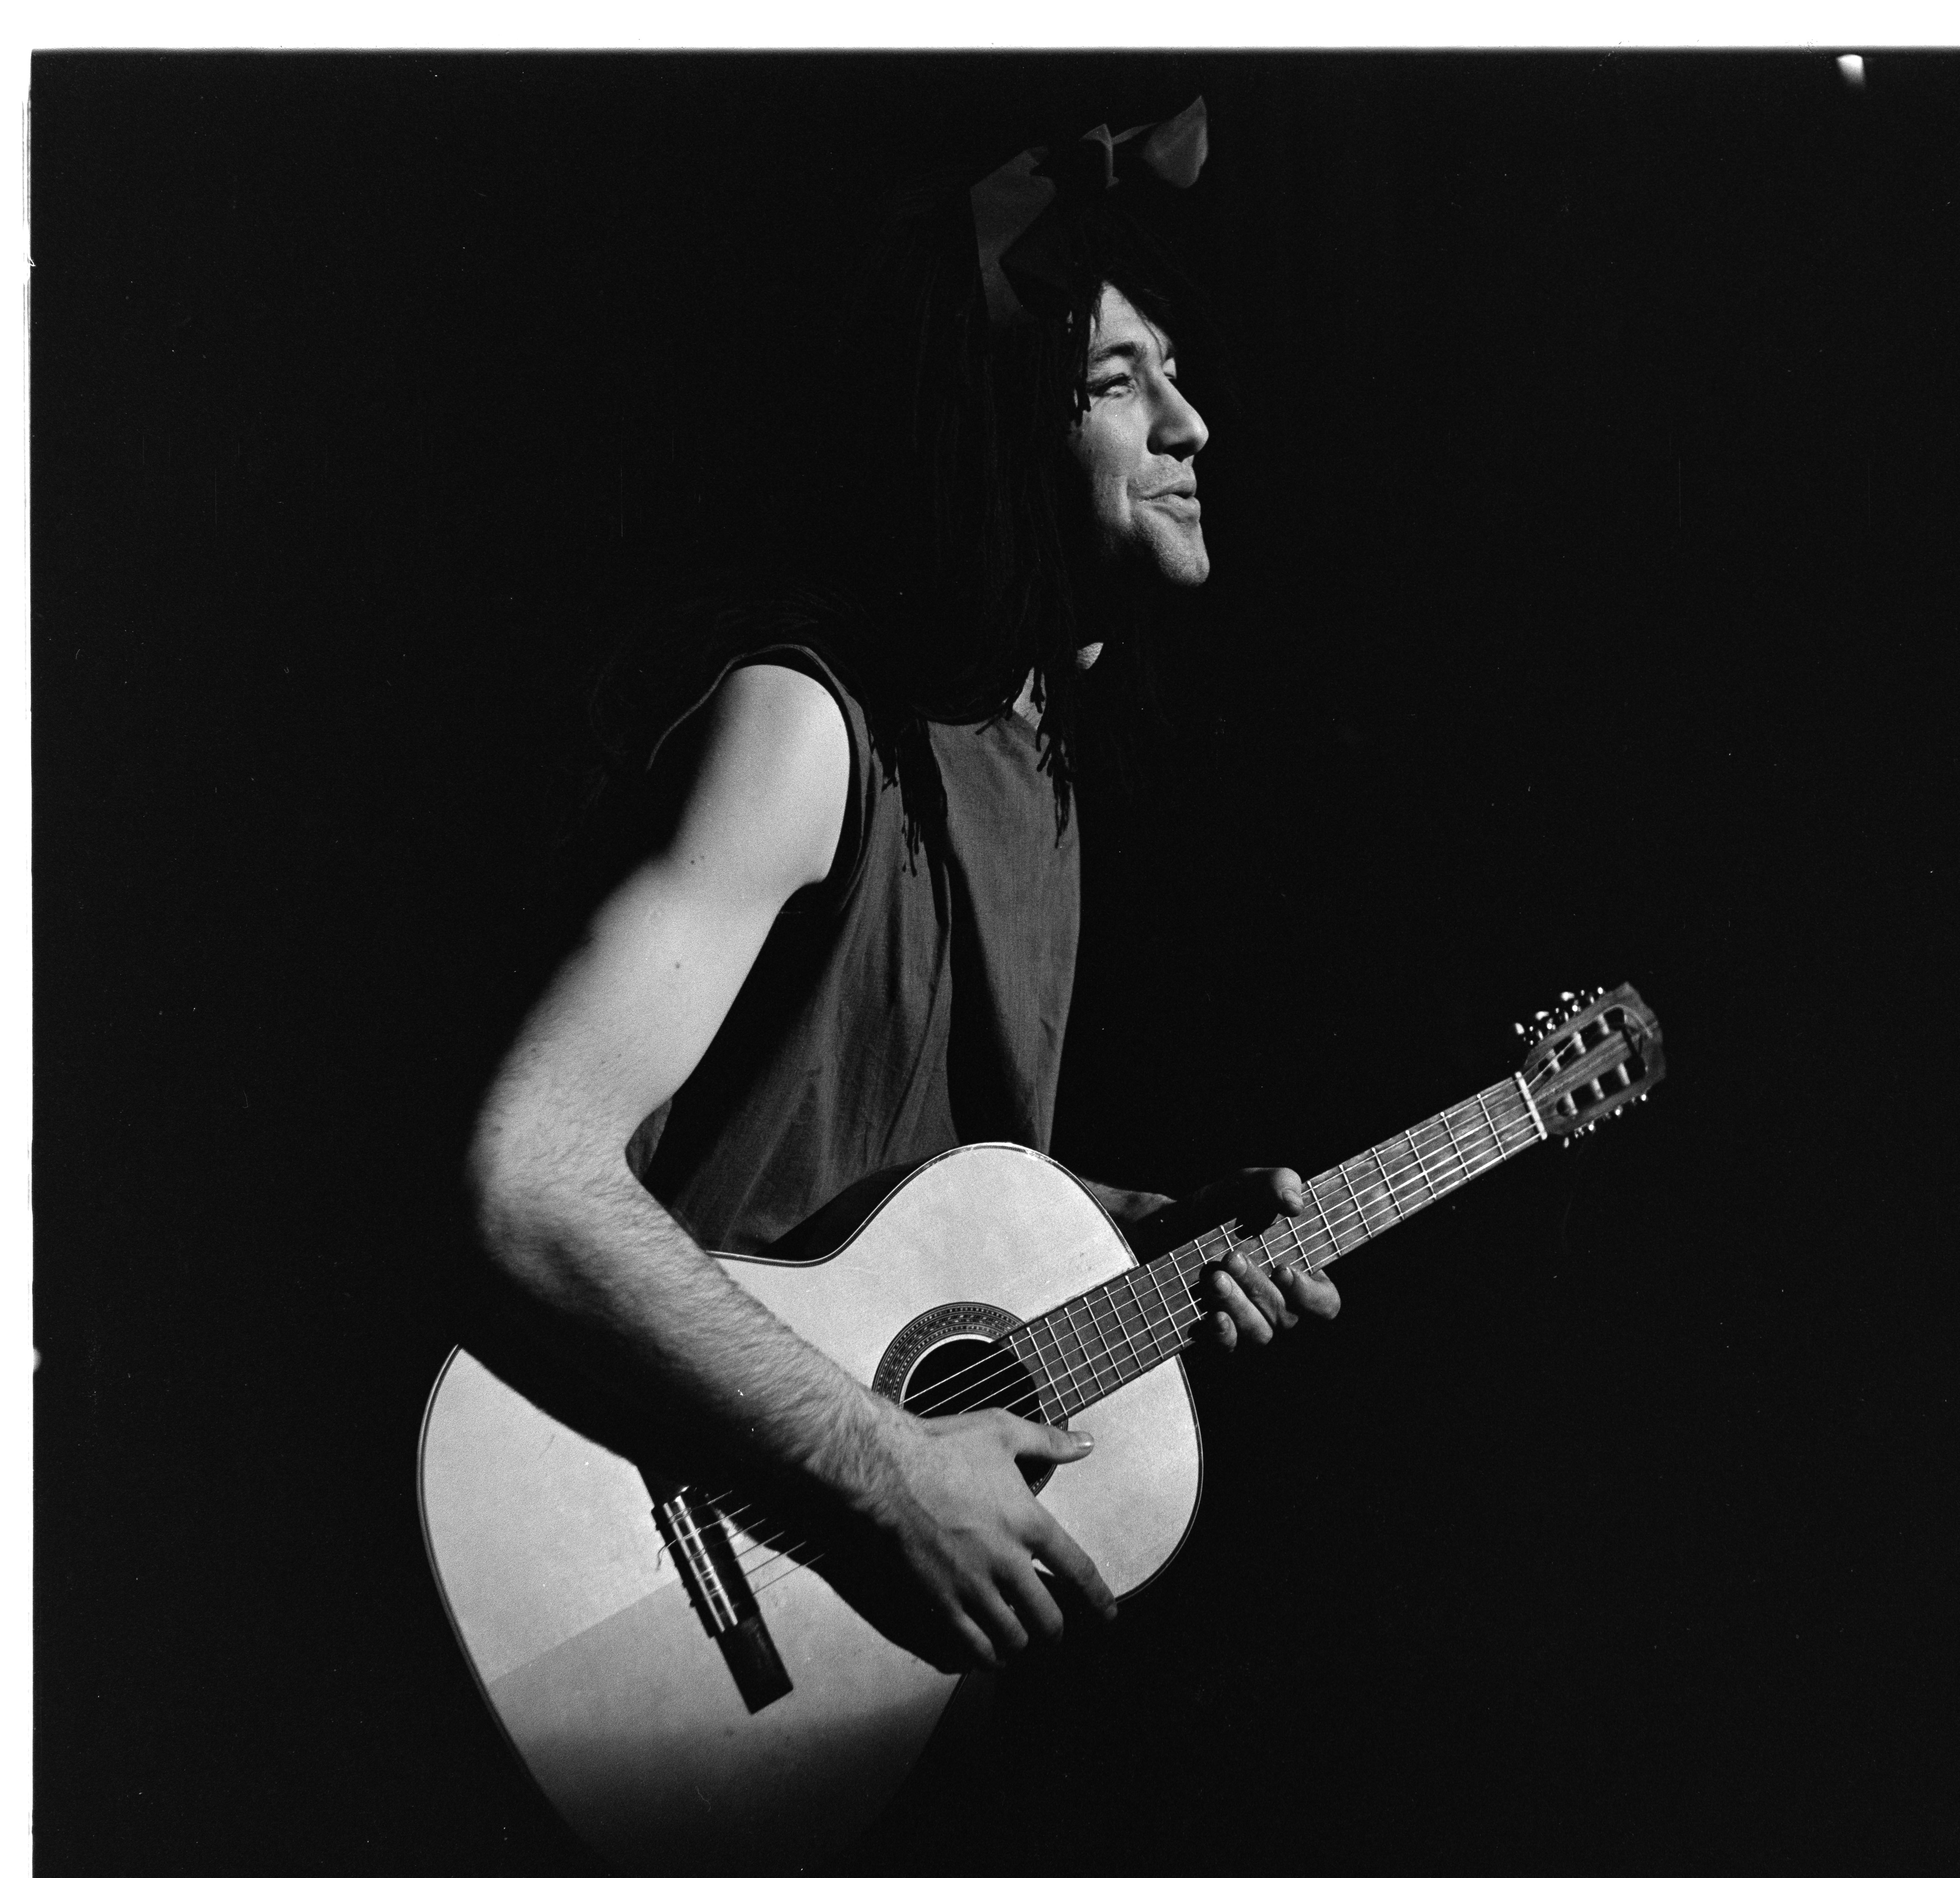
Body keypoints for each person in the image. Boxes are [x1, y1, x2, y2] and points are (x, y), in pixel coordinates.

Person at [464, 99, 1339, 1681]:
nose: (1191, 424)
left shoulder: (1036, 767)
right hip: (627, 1566)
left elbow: (883, 1194)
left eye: (1173, 372)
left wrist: (1135, 1235)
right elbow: (527, 1176)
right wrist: (882, 1475)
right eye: (1116, 383)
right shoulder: (806, 732)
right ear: (997, 424)